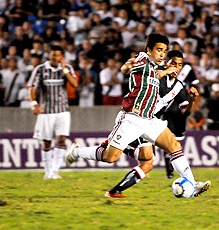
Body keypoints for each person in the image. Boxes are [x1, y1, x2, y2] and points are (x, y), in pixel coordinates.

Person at [65, 33, 211, 197]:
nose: (162, 54)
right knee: (110, 157)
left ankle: (192, 183)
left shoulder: (166, 75)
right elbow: (130, 68)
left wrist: (190, 98)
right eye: (159, 50)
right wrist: (127, 67)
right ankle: (76, 152)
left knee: (174, 147)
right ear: (149, 50)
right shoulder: (143, 59)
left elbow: (182, 106)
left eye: (164, 51)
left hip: (149, 120)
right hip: (131, 118)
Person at [28, 45, 78, 179]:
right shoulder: (40, 69)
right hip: (46, 112)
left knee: (61, 139)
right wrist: (34, 104)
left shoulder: (67, 68)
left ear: (62, 57)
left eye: (58, 55)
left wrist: (65, 70)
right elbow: (32, 87)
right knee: (47, 142)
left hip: (63, 111)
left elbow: (75, 84)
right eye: (53, 55)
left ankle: (55, 171)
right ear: (49, 56)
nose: (55, 58)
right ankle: (47, 171)